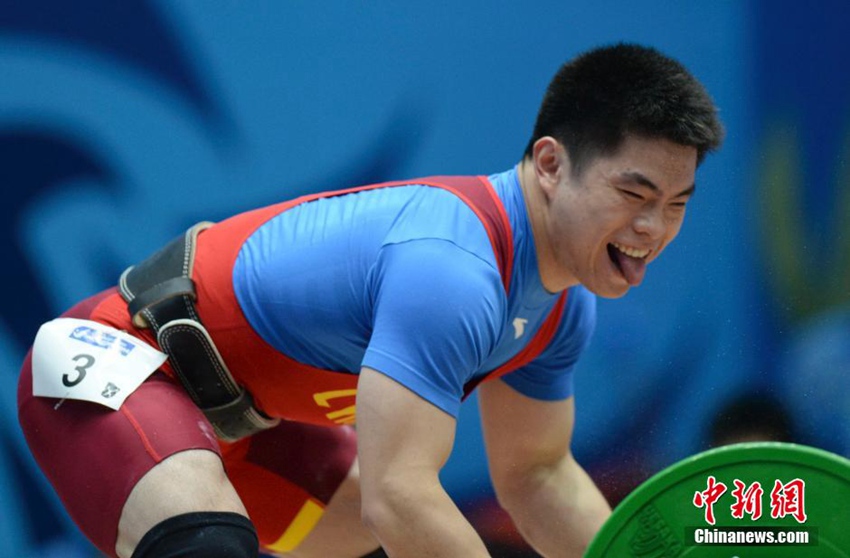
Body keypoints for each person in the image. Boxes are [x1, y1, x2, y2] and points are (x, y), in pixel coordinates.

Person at [17, 43, 723, 558]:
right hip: (124, 362)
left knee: (363, 526)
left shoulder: (562, 305)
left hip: (249, 421)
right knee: (221, 545)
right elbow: (403, 493)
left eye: (676, 204)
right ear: (549, 164)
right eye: (633, 194)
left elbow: (537, 477)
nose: (652, 229)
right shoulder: (452, 268)